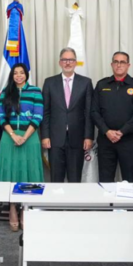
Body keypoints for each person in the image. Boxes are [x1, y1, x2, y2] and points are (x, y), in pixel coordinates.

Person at [0, 63, 44, 231]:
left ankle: (24, 209)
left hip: (29, 138)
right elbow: (1, 116)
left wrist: (24, 136)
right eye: (15, 73)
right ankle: (12, 209)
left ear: (26, 74)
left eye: (21, 73)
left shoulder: (35, 91)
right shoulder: (6, 91)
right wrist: (13, 135)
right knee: (11, 174)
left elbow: (38, 116)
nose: (18, 76)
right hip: (9, 138)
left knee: (27, 174)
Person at [91, 52, 133, 183]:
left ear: (128, 65)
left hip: (128, 141)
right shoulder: (102, 85)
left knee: (130, 180)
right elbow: (94, 111)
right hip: (105, 140)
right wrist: (107, 131)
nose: (119, 65)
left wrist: (122, 132)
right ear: (111, 64)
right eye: (116, 62)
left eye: (122, 62)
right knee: (105, 180)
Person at [41, 48, 93, 183]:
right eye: (64, 60)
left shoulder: (86, 83)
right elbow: (45, 112)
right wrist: (45, 135)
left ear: (76, 62)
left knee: (75, 179)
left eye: (71, 60)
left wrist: (88, 136)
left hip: (77, 138)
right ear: (60, 62)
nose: (67, 63)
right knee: (56, 179)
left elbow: (89, 112)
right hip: (55, 139)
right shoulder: (49, 82)